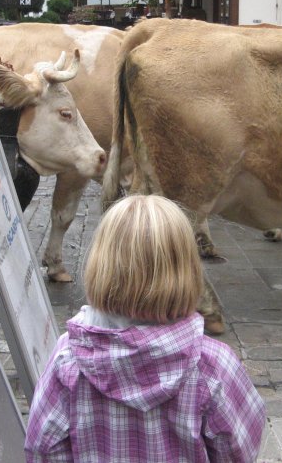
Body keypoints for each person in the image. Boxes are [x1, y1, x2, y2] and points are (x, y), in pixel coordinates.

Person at [25, 194, 266, 462]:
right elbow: (240, 448)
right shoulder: (213, 366)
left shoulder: (68, 359)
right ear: (188, 270)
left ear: (100, 267)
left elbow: (42, 448)